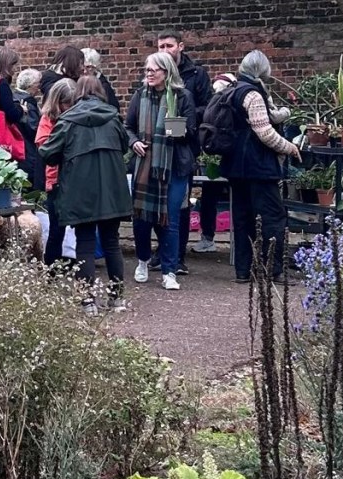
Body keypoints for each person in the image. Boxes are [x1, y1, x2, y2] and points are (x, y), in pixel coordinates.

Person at [39, 76, 131, 315]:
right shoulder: (113, 117)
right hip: (112, 190)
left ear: (78, 93)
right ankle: (117, 298)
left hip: (80, 191)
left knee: (85, 245)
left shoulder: (68, 120)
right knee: (112, 243)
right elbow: (124, 146)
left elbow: (48, 153)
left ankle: (87, 301)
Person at [222, 50, 299, 284]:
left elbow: (266, 118)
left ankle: (243, 271)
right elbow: (264, 132)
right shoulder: (253, 94)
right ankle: (274, 269)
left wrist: (286, 112)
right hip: (258, 166)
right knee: (272, 217)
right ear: (261, 70)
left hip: (236, 166)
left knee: (243, 218)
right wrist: (290, 148)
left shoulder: (235, 89)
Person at [126, 52, 198, 291]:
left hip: (173, 167)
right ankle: (143, 260)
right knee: (142, 219)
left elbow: (191, 132)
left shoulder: (182, 96)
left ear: (167, 72)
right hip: (145, 165)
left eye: (153, 70)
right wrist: (133, 142)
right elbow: (127, 127)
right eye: (147, 70)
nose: (148, 73)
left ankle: (169, 270)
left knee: (171, 220)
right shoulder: (140, 96)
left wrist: (173, 128)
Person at [155, 29, 213, 271]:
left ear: (181, 47)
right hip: (158, 150)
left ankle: (177, 256)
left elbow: (208, 107)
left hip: (184, 148)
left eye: (169, 46)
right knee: (158, 202)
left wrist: (184, 114)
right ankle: (162, 250)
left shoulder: (196, 74)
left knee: (180, 203)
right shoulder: (154, 74)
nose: (165, 51)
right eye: (161, 47)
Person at [34, 77, 77, 266]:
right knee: (56, 229)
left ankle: (76, 266)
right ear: (57, 101)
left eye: (72, 103)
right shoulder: (47, 119)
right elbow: (43, 146)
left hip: (77, 180)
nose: (69, 107)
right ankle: (51, 271)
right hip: (56, 179)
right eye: (66, 103)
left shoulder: (78, 116)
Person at [13, 68, 45, 191]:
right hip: (27, 151)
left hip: (17, 149)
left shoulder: (13, 98)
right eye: (37, 84)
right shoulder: (28, 104)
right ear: (30, 86)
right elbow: (34, 130)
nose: (39, 88)